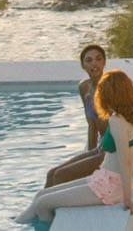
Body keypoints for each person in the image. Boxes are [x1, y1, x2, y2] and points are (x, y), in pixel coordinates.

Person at [15, 69, 133, 223]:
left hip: (110, 187)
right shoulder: (131, 117)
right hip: (105, 179)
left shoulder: (117, 122)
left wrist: (127, 199)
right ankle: (16, 224)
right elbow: (131, 154)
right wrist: (131, 183)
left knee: (43, 204)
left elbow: (125, 162)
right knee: (40, 195)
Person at [43, 44, 109, 188]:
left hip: (113, 151)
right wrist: (89, 154)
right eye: (89, 60)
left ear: (104, 62)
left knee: (60, 175)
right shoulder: (84, 87)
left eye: (98, 59)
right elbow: (92, 125)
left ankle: (48, 207)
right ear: (83, 65)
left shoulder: (111, 87)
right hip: (100, 148)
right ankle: (42, 208)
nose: (94, 64)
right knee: (51, 174)